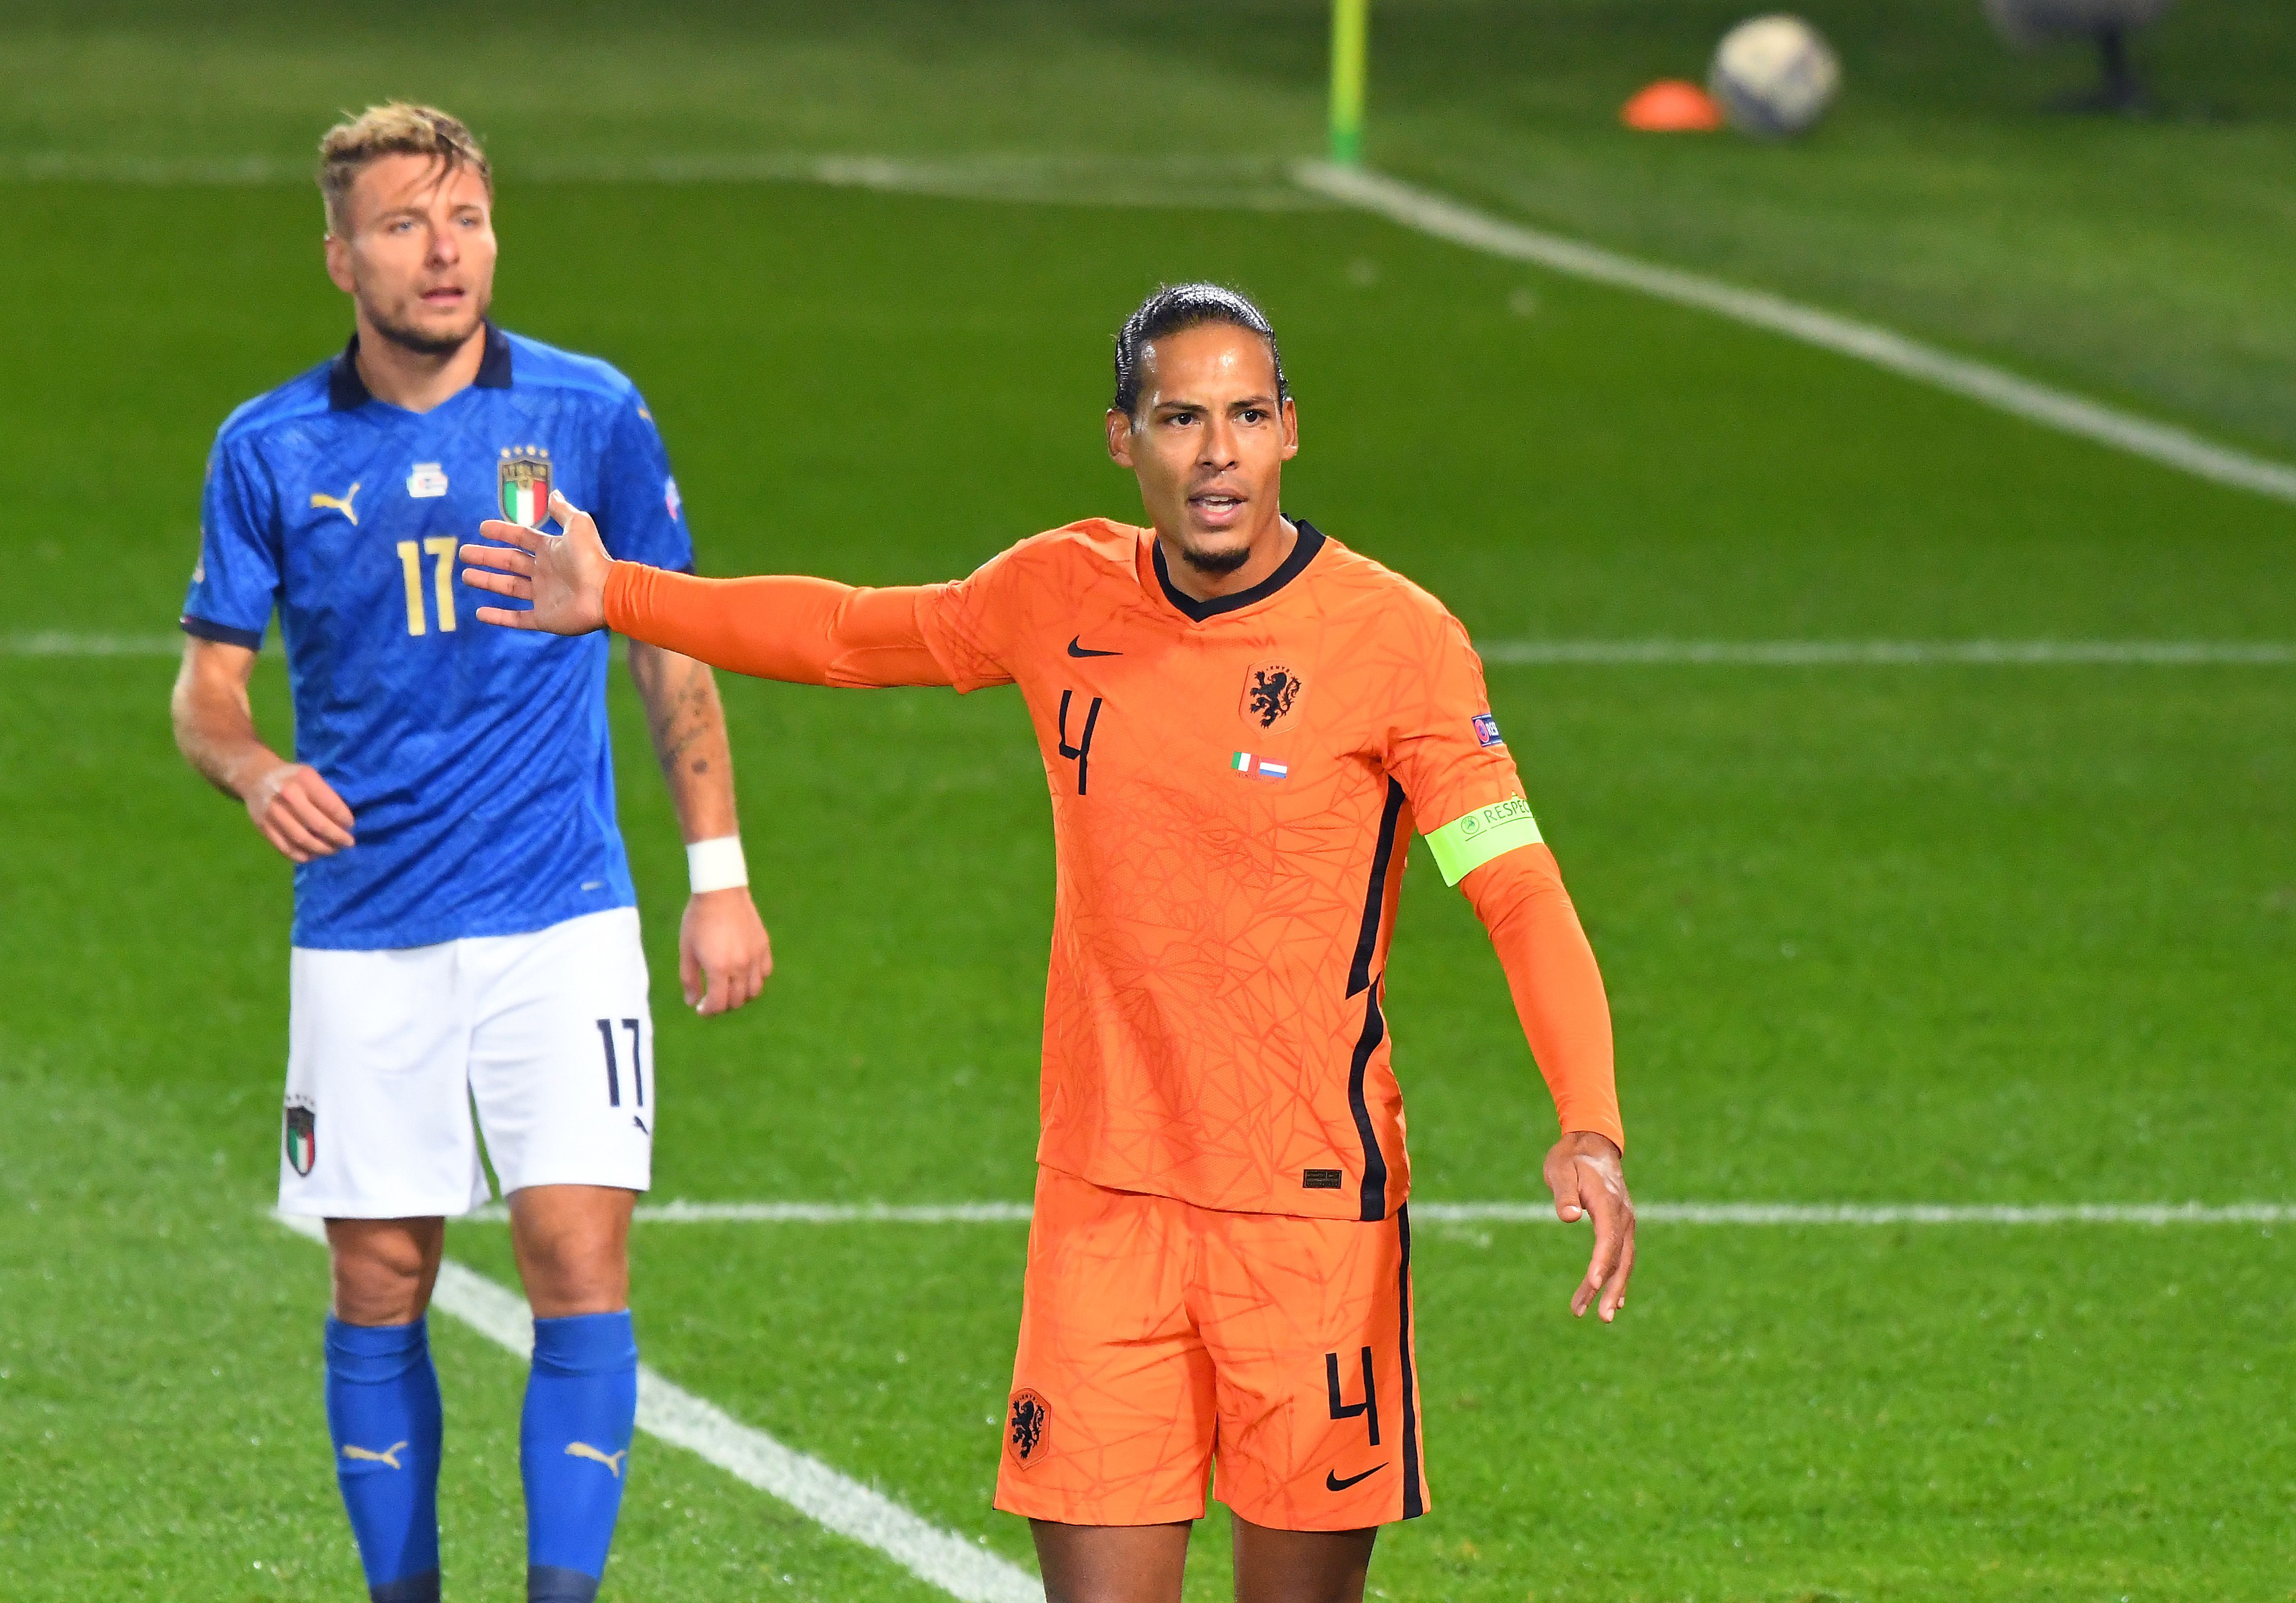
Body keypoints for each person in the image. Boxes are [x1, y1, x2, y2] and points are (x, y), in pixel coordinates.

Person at [462, 283, 1632, 1603]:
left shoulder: (1399, 643)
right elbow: (849, 634)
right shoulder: (1055, 591)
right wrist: (615, 589)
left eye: (1247, 415)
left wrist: (1587, 1120)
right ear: (1123, 439)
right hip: (1103, 1207)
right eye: (1180, 417)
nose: (1217, 453)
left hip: (1309, 1224)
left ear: (1292, 430)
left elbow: (1517, 890)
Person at [168, 103, 772, 1603]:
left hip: (560, 918)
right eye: (403, 226)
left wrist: (720, 878)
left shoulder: (587, 415)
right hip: (365, 927)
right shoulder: (273, 444)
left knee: (580, 1266)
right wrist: (251, 768)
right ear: (340, 256)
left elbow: (671, 648)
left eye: (467, 221)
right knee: (379, 1283)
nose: (445, 254)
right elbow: (208, 688)